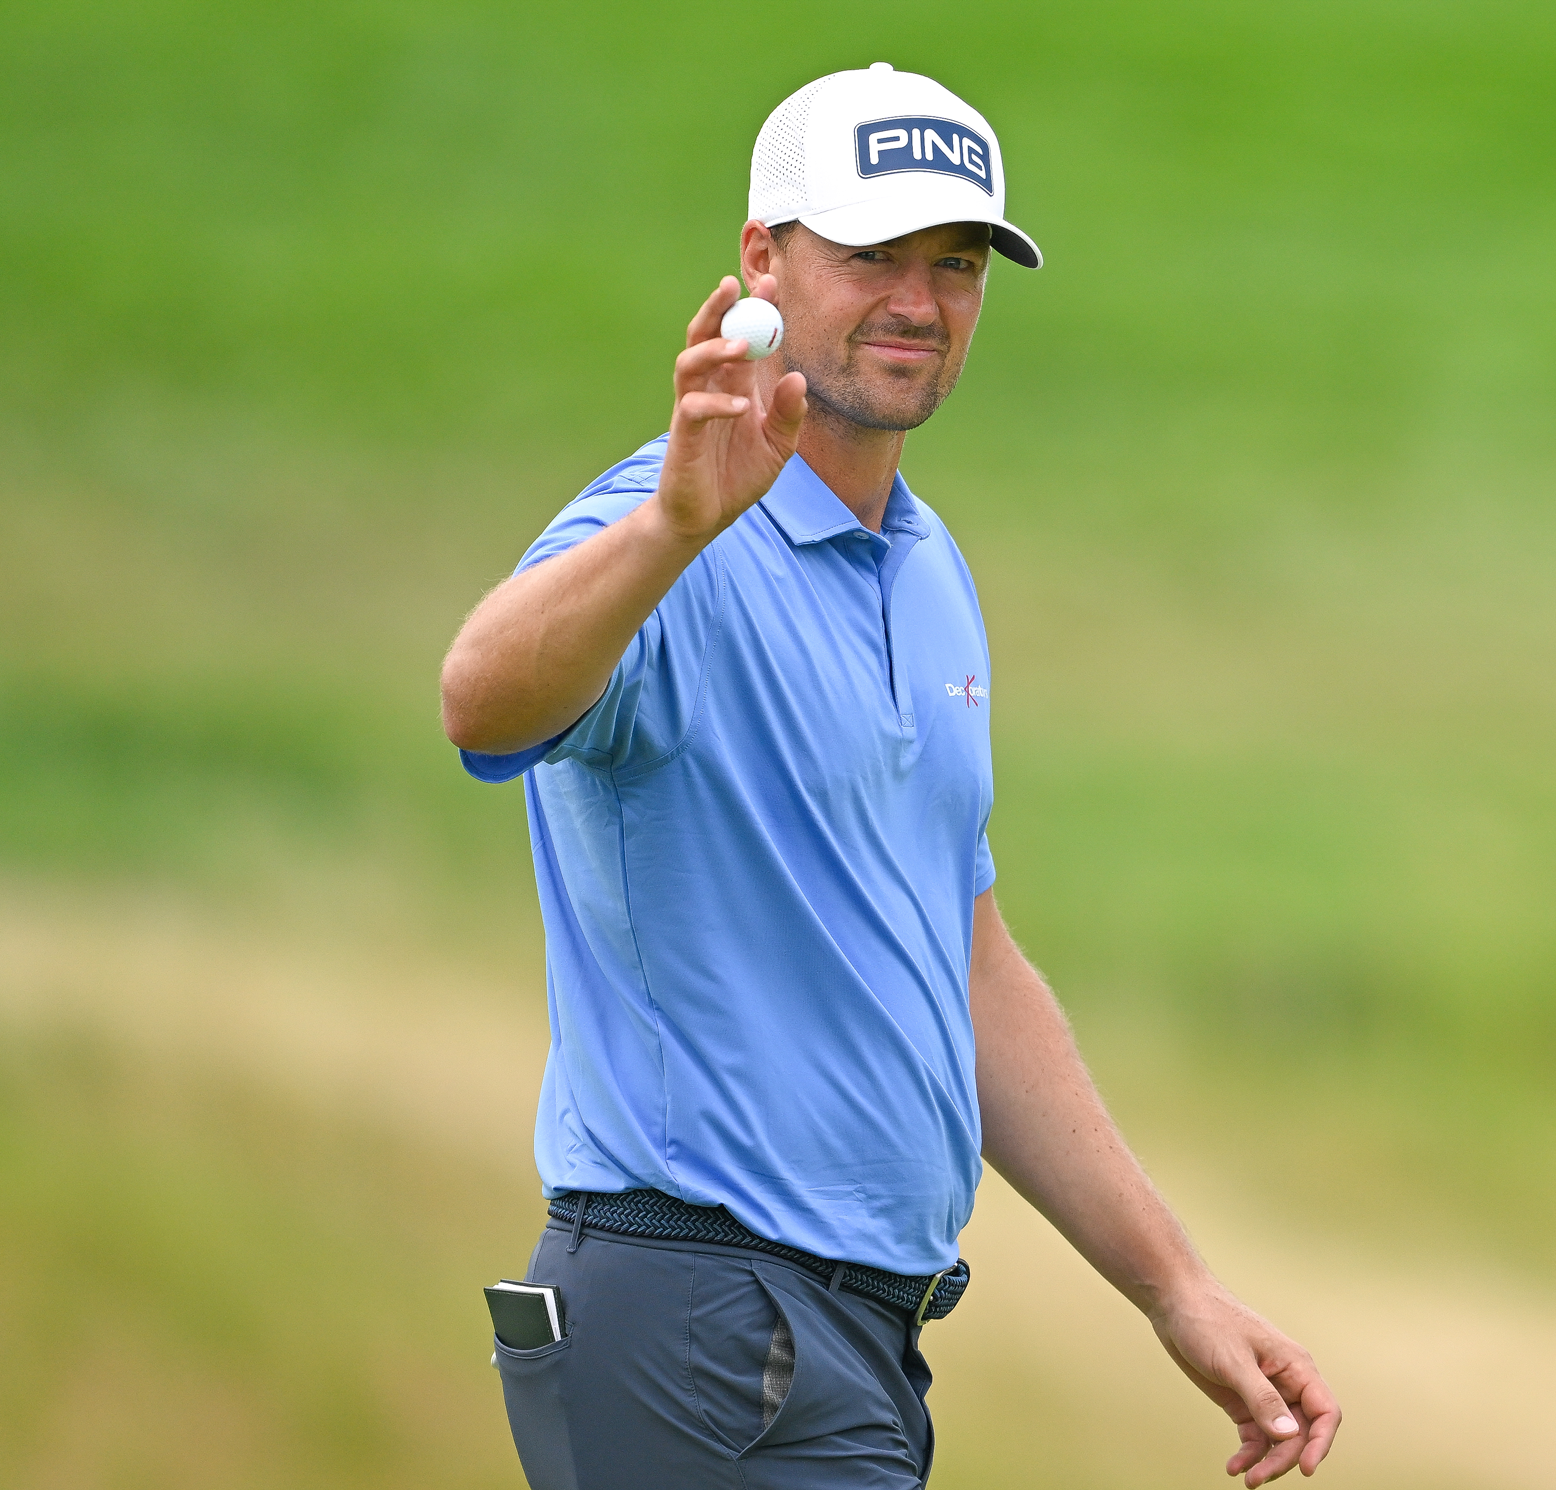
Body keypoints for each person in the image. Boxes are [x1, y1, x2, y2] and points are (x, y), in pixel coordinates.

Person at [438, 62, 1340, 1489]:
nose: (920, 299)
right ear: (762, 262)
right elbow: (480, 701)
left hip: (841, 1336)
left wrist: (1174, 1286)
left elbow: (962, 958)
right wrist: (671, 533)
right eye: (872, 254)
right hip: (696, 1309)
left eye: (957, 262)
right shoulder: (665, 525)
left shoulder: (926, 566)